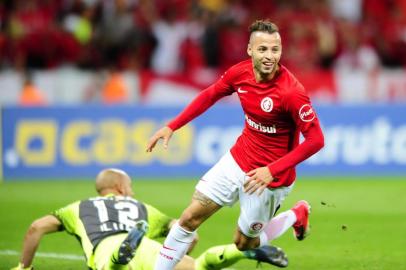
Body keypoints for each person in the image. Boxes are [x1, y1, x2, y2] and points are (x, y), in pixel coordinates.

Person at [146, 20, 325, 270]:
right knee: (188, 218)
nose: (269, 56)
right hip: (237, 160)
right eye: (263, 49)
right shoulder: (239, 73)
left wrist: (271, 170)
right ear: (250, 50)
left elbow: (317, 140)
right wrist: (172, 126)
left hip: (269, 179)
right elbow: (210, 95)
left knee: (244, 243)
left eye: (275, 50)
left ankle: (296, 214)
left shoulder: (291, 93)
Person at [11, 168, 288, 270]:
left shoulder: (79, 207)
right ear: (121, 188)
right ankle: (243, 254)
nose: (131, 191)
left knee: (112, 265)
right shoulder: (142, 207)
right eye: (129, 186)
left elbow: (37, 227)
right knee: (197, 267)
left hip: (106, 245)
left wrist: (25, 266)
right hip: (150, 248)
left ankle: (122, 255)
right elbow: (191, 235)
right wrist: (182, 251)